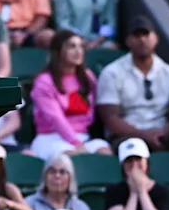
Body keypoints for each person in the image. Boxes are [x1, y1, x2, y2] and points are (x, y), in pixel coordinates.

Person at [96, 16, 169, 154]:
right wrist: (143, 135)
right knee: (131, 148)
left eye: (146, 34)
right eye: (136, 35)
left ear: (155, 38)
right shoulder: (112, 73)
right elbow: (110, 118)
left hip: (161, 134)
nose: (142, 39)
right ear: (128, 40)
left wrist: (165, 132)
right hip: (128, 135)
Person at [29, 29, 113, 161]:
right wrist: (76, 143)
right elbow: (56, 119)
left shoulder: (87, 76)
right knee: (74, 158)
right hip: (50, 138)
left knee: (105, 153)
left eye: (81, 46)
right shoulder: (44, 81)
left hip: (83, 137)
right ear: (58, 51)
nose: (78, 51)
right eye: (72, 46)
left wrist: (80, 142)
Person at [105, 137, 169, 210]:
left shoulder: (161, 190)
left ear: (146, 162)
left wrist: (142, 192)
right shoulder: (114, 190)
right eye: (129, 160)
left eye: (138, 159)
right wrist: (133, 193)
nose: (134, 165)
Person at [25, 153, 94, 210]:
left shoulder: (81, 208)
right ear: (44, 176)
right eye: (52, 171)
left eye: (62, 172)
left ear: (70, 178)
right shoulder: (29, 204)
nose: (57, 176)